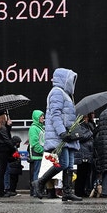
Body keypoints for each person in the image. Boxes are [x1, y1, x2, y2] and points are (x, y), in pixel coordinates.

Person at [33, 67, 83, 202]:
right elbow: (55, 114)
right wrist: (61, 132)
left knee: (69, 165)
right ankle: (40, 182)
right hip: (61, 135)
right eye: (70, 79)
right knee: (63, 163)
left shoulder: (65, 94)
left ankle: (67, 192)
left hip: (68, 135)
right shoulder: (57, 92)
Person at [0, 112, 15, 197]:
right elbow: (7, 139)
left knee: (1, 172)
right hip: (3, 152)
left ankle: (0, 191)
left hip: (0, 152)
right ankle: (0, 192)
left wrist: (9, 126)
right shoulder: (2, 129)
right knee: (2, 172)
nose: (6, 118)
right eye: (5, 117)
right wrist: (13, 149)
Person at [75, 112, 97, 197]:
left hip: (88, 151)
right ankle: (78, 191)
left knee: (86, 173)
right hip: (82, 152)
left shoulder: (88, 125)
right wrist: (90, 133)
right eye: (85, 117)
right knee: (81, 172)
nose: (87, 119)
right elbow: (81, 137)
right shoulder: (79, 125)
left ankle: (82, 190)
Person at [27, 110, 45, 197]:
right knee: (36, 174)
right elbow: (34, 143)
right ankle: (35, 192)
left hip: (41, 155)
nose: (43, 118)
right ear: (36, 117)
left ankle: (39, 191)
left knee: (40, 174)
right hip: (37, 155)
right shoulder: (34, 128)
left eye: (43, 116)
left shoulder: (40, 127)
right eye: (41, 116)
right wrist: (43, 151)